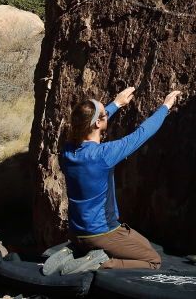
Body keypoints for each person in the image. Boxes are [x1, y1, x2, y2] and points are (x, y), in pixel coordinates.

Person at [57, 86, 181, 272]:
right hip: (102, 232)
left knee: (145, 244)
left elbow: (91, 121)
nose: (107, 113)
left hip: (77, 231)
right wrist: (165, 107)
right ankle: (99, 264)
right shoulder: (104, 155)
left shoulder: (67, 152)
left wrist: (117, 104)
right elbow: (142, 133)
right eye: (104, 113)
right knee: (152, 260)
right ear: (98, 123)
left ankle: (80, 251)